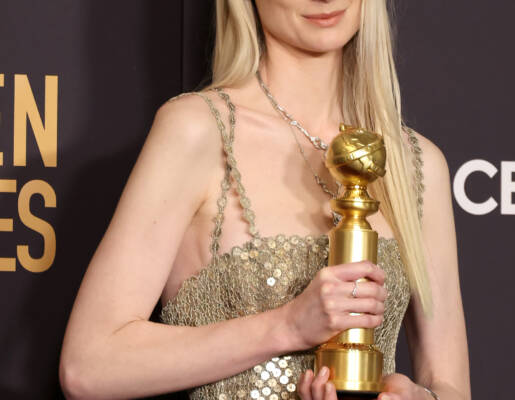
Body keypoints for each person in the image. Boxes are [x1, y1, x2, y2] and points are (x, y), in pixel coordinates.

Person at [59, 1, 470, 400]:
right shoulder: (198, 132)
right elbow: (89, 366)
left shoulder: (416, 165)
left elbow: (449, 384)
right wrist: (288, 326)